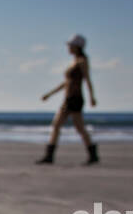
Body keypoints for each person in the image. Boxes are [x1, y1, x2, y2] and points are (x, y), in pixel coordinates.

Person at [36, 35, 98, 164]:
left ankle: (92, 154)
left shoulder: (82, 61)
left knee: (78, 128)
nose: (68, 48)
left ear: (77, 47)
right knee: (57, 125)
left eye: (70, 45)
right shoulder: (74, 62)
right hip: (67, 98)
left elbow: (87, 80)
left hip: (75, 98)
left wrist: (92, 97)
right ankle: (50, 155)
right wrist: (50, 94)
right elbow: (66, 83)